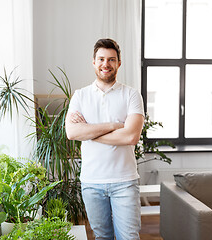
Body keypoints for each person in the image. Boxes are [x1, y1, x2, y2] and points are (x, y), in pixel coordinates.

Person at [65, 38, 144, 240]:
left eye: (111, 59)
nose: (105, 64)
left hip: (124, 182)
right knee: (102, 237)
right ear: (93, 62)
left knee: (129, 237)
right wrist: (113, 125)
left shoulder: (132, 95)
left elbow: (131, 136)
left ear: (119, 63)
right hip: (91, 182)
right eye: (101, 59)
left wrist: (89, 132)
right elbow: (72, 133)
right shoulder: (80, 96)